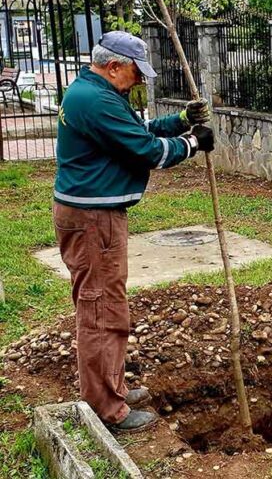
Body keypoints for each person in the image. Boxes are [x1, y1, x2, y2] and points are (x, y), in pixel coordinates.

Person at [53, 31, 214, 432]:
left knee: (107, 305)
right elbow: (146, 151)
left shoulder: (96, 93)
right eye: (135, 73)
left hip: (94, 216)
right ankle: (107, 407)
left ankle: (113, 388)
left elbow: (138, 131)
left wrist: (179, 122)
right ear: (113, 67)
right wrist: (192, 143)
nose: (140, 81)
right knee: (101, 310)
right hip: (94, 222)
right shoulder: (96, 100)